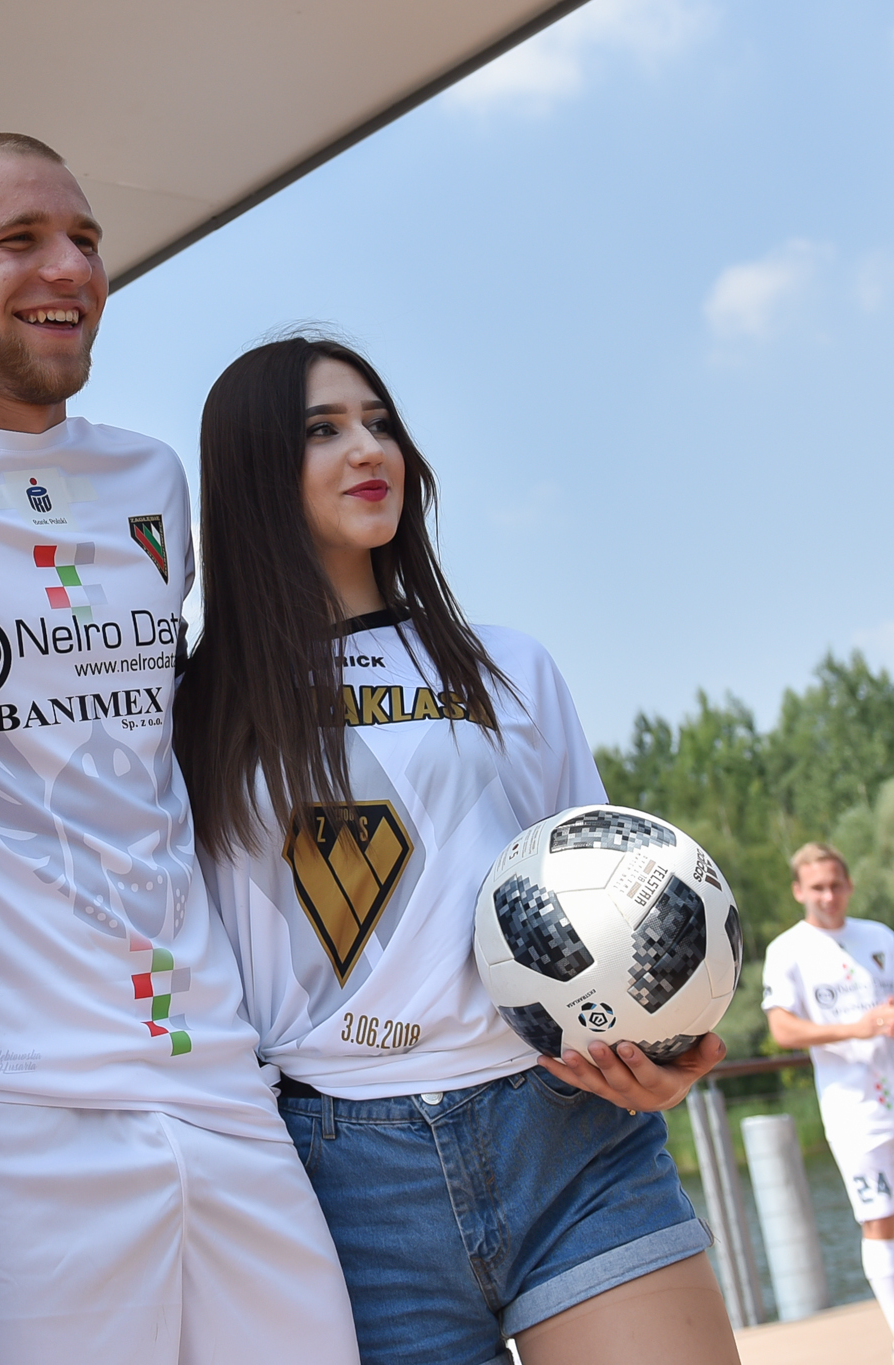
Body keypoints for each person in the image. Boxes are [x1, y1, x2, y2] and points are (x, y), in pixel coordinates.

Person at [0, 135, 360, 1364]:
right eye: (16, 241)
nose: (67, 267)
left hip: (217, 1081)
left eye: (83, 239)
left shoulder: (148, 477)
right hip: (7, 1110)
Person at [179, 335, 735, 1365]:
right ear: (252, 470)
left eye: (379, 423)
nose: (367, 448)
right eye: (321, 430)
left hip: (566, 1129)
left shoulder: (508, 666)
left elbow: (609, 892)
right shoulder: (189, 710)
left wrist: (653, 1053)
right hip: (339, 1175)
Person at [763, 843, 894, 1365]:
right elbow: (782, 1028)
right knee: (878, 1218)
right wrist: (851, 1029)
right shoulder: (788, 949)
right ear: (799, 891)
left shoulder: (879, 937)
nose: (828, 896)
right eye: (817, 887)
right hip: (851, 1109)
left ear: (849, 885)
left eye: (836, 885)